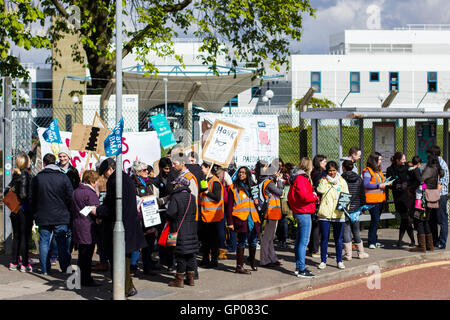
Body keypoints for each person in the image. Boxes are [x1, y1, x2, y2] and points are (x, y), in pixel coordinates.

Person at [96, 158, 147, 298]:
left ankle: (123, 290)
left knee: (120, 260)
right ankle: (128, 288)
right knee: (124, 259)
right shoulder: (124, 178)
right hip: (128, 225)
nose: (104, 177)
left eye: (104, 173)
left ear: (110, 169)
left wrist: (98, 211)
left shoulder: (115, 181)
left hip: (122, 227)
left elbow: (114, 208)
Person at [31, 153, 73, 275]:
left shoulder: (38, 178)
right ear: (55, 163)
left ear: (44, 163)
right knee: (62, 243)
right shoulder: (63, 177)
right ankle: (65, 268)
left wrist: (35, 213)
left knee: (44, 242)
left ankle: (45, 269)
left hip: (43, 215)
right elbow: (70, 196)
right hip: (61, 215)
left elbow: (32, 197)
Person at [131, 160, 166, 276]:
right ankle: (133, 267)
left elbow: (155, 198)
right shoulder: (133, 183)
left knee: (149, 244)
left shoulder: (150, 183)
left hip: (151, 217)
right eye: (144, 170)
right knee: (136, 244)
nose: (147, 172)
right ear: (138, 172)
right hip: (139, 218)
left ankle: (147, 267)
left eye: (147, 169)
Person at [226, 166, 261, 274]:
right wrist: (230, 222)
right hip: (241, 218)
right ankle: (239, 266)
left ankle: (252, 261)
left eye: (244, 173)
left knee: (253, 241)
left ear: (248, 174)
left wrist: (257, 201)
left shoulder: (253, 186)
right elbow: (229, 206)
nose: (241, 174)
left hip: (253, 217)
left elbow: (258, 201)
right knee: (241, 242)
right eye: (240, 172)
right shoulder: (233, 187)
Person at [166, 176, 199, 288]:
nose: (174, 186)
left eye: (175, 184)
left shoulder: (175, 197)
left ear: (179, 185)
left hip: (178, 230)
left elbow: (171, 213)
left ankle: (179, 280)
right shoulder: (192, 197)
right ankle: (190, 279)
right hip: (191, 230)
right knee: (190, 255)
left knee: (180, 255)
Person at [287, 157, 318, 278]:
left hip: (299, 210)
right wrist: (314, 196)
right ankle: (301, 268)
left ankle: (299, 266)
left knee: (300, 240)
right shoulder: (302, 178)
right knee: (304, 241)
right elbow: (305, 196)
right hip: (303, 211)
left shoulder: (297, 177)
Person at [316, 161, 349, 270]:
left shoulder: (342, 181)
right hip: (325, 213)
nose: (332, 173)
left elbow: (346, 196)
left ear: (337, 170)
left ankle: (339, 260)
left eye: (334, 170)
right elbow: (320, 190)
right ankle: (323, 261)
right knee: (324, 238)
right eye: (330, 170)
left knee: (338, 239)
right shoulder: (323, 180)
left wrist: (345, 208)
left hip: (338, 213)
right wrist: (325, 181)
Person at [71, 170, 101, 287]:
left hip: (77, 224)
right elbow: (96, 210)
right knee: (87, 255)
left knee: (82, 255)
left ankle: (80, 278)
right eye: (97, 181)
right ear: (92, 181)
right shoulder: (90, 193)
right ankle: (86, 279)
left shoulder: (76, 191)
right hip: (88, 226)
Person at [410, 153, 442, 252]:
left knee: (418, 221)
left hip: (421, 199)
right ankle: (430, 245)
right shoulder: (437, 171)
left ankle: (422, 246)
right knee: (426, 220)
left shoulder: (426, 171)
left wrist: (412, 189)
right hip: (430, 199)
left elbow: (422, 184)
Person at [7, 154, 33, 272]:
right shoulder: (24, 176)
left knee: (16, 236)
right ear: (25, 163)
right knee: (24, 237)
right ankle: (24, 263)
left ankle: (14, 261)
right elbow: (23, 194)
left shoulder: (15, 174)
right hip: (23, 210)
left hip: (15, 210)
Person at [255, 160, 284, 268]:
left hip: (272, 212)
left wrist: (275, 178)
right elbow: (280, 192)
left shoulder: (264, 180)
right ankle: (264, 260)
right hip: (270, 213)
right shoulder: (268, 182)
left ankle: (272, 258)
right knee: (267, 238)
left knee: (270, 237)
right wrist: (280, 181)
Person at [198, 162, 224, 269]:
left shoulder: (215, 182)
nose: (201, 170)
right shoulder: (205, 180)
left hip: (213, 216)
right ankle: (205, 259)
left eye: (203, 168)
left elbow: (217, 197)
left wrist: (207, 192)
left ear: (209, 168)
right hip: (204, 215)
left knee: (213, 240)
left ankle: (214, 261)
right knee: (205, 240)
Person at [341, 160, 369, 259]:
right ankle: (361, 252)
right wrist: (363, 206)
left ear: (343, 167)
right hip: (356, 208)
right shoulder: (358, 179)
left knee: (346, 230)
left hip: (345, 208)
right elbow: (362, 194)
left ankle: (348, 254)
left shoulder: (341, 178)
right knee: (356, 230)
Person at [386, 152, 415, 248]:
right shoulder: (390, 169)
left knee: (406, 219)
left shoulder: (408, 168)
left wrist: (408, 186)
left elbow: (414, 179)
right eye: (403, 159)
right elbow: (389, 182)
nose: (405, 161)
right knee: (404, 219)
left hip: (408, 196)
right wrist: (395, 185)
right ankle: (407, 240)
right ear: (397, 160)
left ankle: (406, 240)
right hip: (398, 197)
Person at [363, 152, 387, 249]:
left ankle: (375, 240)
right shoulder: (368, 171)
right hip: (372, 200)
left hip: (380, 199)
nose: (381, 161)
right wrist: (378, 185)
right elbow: (366, 184)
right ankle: (371, 241)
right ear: (374, 160)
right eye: (379, 160)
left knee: (376, 221)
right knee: (375, 220)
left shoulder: (378, 171)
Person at [428, 145, 449, 249]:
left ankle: (441, 242)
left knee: (442, 219)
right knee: (433, 219)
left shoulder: (441, 164)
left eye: (429, 155)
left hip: (440, 196)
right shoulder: (436, 163)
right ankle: (435, 241)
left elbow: (440, 184)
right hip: (436, 195)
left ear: (434, 155)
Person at [309, 154, 327, 258]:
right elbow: (320, 189)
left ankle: (312, 248)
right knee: (317, 227)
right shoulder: (319, 175)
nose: (325, 164)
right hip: (318, 202)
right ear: (319, 163)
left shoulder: (313, 173)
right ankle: (315, 249)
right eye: (324, 162)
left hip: (314, 202)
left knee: (314, 226)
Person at [215, 165, 233, 259]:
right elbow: (231, 186)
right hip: (223, 204)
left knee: (214, 228)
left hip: (211, 204)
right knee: (221, 227)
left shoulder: (209, 174)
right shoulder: (224, 174)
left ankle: (213, 250)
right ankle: (221, 249)